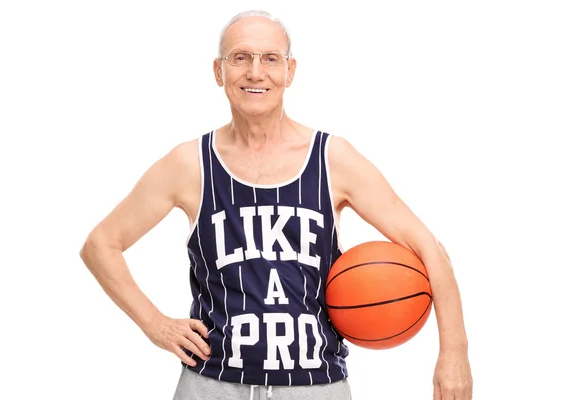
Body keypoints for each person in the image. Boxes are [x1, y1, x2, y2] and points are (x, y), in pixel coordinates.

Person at [79, 9, 473, 400]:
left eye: (270, 59)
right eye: (241, 57)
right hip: (211, 384)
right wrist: (155, 325)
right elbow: (101, 245)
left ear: (290, 71)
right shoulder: (189, 164)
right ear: (219, 71)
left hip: (316, 385)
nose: (255, 72)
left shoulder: (332, 159)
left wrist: (454, 354)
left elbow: (430, 250)